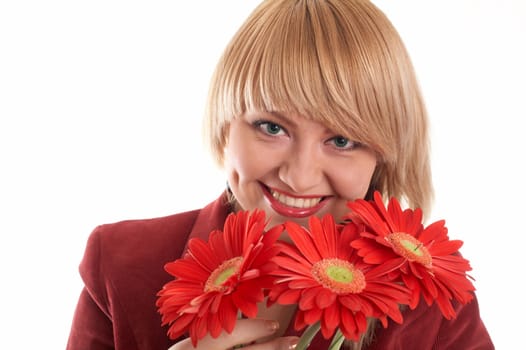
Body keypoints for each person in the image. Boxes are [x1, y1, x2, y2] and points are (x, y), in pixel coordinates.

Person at [66, 0, 495, 349]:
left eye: (342, 140)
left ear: (383, 155)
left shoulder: (434, 301)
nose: (300, 177)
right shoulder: (120, 265)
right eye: (271, 128)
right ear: (225, 125)